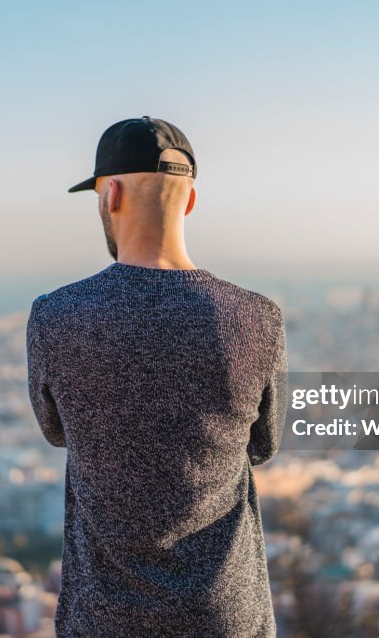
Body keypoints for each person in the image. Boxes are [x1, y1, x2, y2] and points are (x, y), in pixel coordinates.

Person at [26, 116, 287, 637]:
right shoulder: (256, 317)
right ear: (190, 201)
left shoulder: (57, 317)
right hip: (224, 616)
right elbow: (263, 444)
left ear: (110, 195)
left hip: (104, 618)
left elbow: (58, 433)